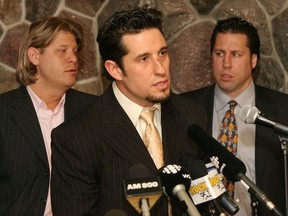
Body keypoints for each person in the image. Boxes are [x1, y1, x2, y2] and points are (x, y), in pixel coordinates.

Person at [50, 6, 207, 216]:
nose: (160, 69)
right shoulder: (76, 138)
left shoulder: (193, 115)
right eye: (144, 59)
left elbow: (205, 201)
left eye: (162, 53)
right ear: (115, 69)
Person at [182, 17, 287, 215]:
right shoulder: (184, 108)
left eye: (236, 55)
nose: (226, 63)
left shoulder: (282, 110)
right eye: (219, 53)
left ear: (253, 60)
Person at [0, 17, 96, 215]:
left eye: (75, 52)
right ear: (35, 56)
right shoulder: (4, 111)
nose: (74, 59)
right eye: (62, 51)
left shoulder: (93, 110)